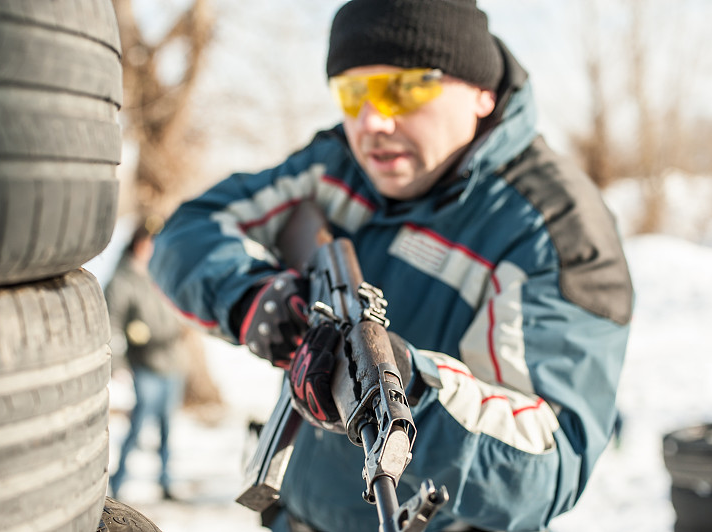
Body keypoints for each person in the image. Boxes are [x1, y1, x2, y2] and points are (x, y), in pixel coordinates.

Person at [149, 0, 634, 530]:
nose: (373, 120)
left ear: (481, 92)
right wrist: (249, 302)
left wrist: (412, 390)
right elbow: (185, 232)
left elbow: (553, 463)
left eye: (404, 89)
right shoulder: (335, 165)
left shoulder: (557, 232)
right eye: (353, 93)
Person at [106, 218, 187, 501]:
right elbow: (112, 324)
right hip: (146, 365)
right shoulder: (121, 280)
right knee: (138, 427)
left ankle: (165, 481)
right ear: (138, 245)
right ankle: (118, 483)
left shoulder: (159, 274)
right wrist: (118, 363)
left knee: (168, 428)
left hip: (173, 363)